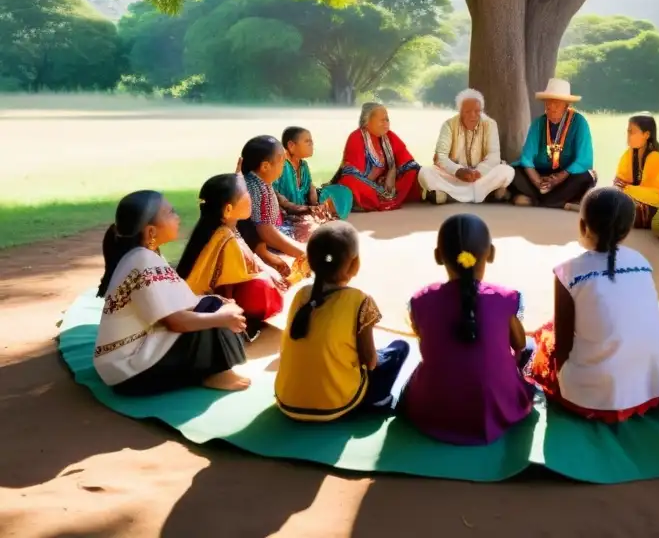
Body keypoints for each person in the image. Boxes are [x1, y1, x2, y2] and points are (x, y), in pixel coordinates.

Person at [528, 188, 659, 422]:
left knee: (546, 338)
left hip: (591, 397)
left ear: (583, 226)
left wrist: (565, 378)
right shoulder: (642, 262)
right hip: (648, 388)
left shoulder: (567, 272)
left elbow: (563, 344)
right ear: (627, 231)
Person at [93, 190, 250, 395]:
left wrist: (216, 304)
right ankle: (213, 373)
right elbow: (176, 322)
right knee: (214, 317)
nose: (177, 217)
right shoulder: (143, 261)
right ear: (151, 232)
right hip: (129, 374)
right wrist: (221, 317)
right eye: (170, 212)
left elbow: (178, 301)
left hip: (122, 365)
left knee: (212, 305)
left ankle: (214, 369)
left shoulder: (144, 255)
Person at [401, 214, 534, 445]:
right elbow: (520, 344)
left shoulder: (421, 300)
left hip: (433, 411)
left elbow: (425, 337)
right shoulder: (505, 298)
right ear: (491, 253)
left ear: (438, 257)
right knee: (531, 348)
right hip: (496, 407)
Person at [275, 221, 411, 421]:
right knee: (399, 348)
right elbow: (371, 362)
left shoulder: (301, 295)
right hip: (337, 403)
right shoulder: (360, 301)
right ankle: (377, 400)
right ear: (354, 264)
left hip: (287, 401)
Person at [176, 173, 289, 326]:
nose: (250, 197)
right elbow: (228, 284)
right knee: (262, 286)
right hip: (201, 305)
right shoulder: (225, 237)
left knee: (265, 279)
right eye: (246, 193)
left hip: (189, 301)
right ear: (228, 209)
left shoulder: (221, 228)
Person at [509, 78, 597, 210]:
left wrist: (558, 179)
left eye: (556, 103)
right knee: (513, 172)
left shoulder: (579, 122)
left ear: (566, 105)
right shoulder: (538, 123)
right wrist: (538, 181)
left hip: (567, 175)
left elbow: (584, 159)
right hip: (540, 174)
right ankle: (560, 202)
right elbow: (527, 157)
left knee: (586, 176)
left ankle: (536, 200)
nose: (550, 107)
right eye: (548, 102)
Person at [418, 89, 516, 205]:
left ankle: (450, 196)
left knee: (506, 171)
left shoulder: (490, 124)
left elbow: (494, 155)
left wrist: (479, 172)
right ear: (460, 111)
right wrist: (457, 170)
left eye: (477, 111)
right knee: (425, 172)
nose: (473, 116)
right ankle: (481, 195)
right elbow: (441, 156)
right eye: (467, 112)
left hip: (481, 177)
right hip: (455, 176)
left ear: (482, 110)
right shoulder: (449, 125)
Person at [326, 103, 421, 212]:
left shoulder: (389, 136)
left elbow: (406, 160)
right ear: (367, 121)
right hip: (365, 184)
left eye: (387, 120)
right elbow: (352, 172)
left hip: (385, 184)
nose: (386, 124)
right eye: (382, 120)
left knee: (413, 172)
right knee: (350, 181)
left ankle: (426, 193)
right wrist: (379, 189)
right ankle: (366, 200)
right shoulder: (356, 137)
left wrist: (392, 171)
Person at [239, 135, 308, 276]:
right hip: (264, 242)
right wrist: (301, 252)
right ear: (265, 166)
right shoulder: (256, 189)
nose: (284, 165)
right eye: (282, 161)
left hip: (274, 231)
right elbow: (265, 231)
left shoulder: (259, 181)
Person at [275, 126, 352, 226]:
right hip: (287, 209)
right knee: (306, 224)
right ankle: (322, 216)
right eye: (307, 141)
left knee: (343, 192)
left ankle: (322, 214)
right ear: (291, 145)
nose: (312, 145)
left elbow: (310, 187)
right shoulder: (280, 165)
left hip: (306, 204)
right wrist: (303, 209)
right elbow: (275, 194)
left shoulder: (303, 165)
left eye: (312, 142)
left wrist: (315, 205)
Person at [612, 113, 659, 228]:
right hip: (633, 196)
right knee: (610, 198)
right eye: (628, 131)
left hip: (654, 202)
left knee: (631, 210)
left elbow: (653, 193)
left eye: (632, 132)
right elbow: (619, 180)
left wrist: (626, 189)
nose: (628, 135)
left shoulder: (655, 157)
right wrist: (622, 188)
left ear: (646, 135)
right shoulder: (630, 153)